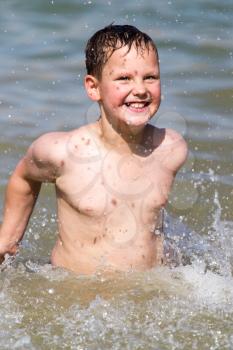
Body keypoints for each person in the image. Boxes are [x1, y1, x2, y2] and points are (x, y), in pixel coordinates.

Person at [0, 24, 187, 274]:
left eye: (150, 77)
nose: (141, 89)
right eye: (124, 78)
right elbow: (24, 177)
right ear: (93, 87)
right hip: (79, 294)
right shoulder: (62, 152)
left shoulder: (170, 149)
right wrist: (8, 239)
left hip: (146, 294)